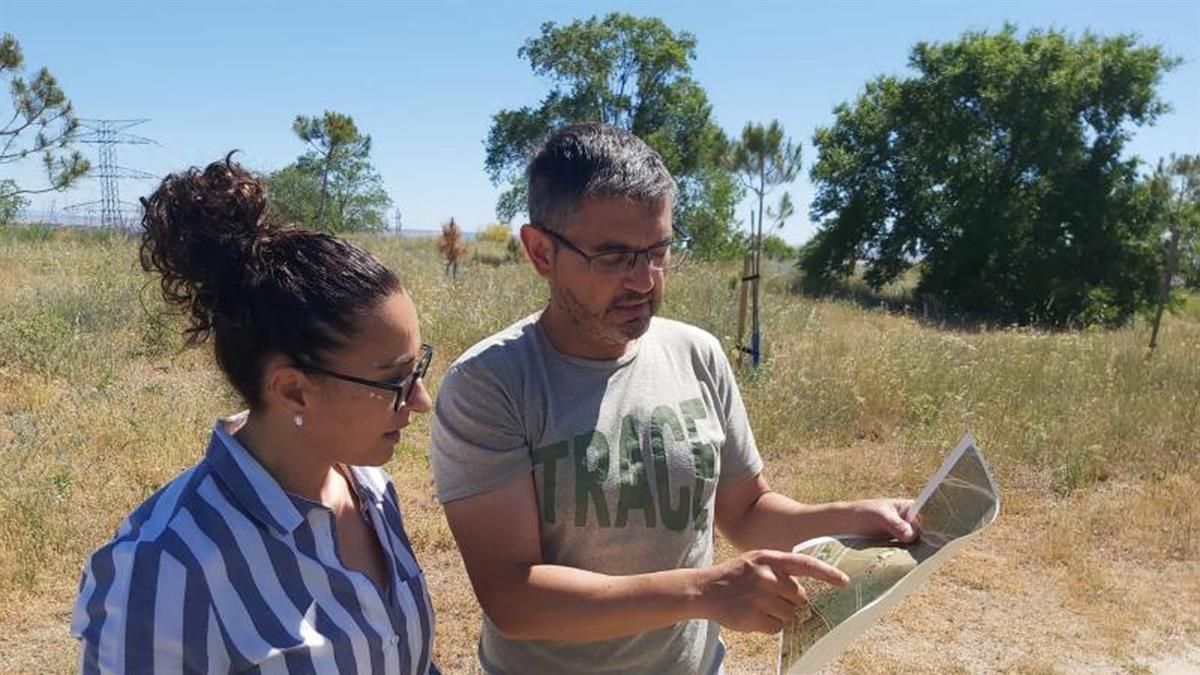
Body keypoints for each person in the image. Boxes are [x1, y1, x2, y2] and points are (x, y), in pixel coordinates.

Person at [430, 123, 917, 674]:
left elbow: (748, 511)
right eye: (612, 257)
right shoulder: (491, 383)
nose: (644, 280)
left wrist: (850, 519)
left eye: (658, 251)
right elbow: (515, 598)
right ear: (541, 251)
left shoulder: (698, 354)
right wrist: (704, 592)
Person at [71, 155, 438, 674]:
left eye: (418, 367)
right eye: (394, 381)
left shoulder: (372, 491)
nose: (420, 400)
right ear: (293, 391)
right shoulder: (165, 567)